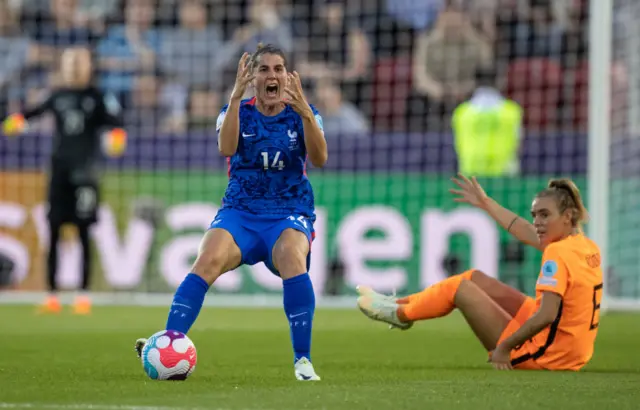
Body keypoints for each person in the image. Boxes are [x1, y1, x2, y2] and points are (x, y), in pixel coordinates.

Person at [134, 44, 327, 381]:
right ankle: (168, 341)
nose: (272, 75)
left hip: (288, 211)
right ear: (252, 77)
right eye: (264, 69)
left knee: (292, 256)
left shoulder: (305, 113)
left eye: (278, 69)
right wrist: (236, 98)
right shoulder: (233, 110)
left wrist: (307, 114)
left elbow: (321, 159)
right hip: (241, 210)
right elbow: (226, 148)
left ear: (287, 75)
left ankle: (303, 361)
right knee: (207, 258)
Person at [357, 174, 603, 371]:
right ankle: (399, 304)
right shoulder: (583, 244)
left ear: (568, 216)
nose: (537, 222)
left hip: (547, 356)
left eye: (544, 215)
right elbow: (523, 229)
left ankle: (399, 313)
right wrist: (486, 203)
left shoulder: (557, 253)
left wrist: (505, 348)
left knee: (460, 289)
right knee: (474, 278)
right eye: (535, 215)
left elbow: (547, 315)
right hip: (570, 351)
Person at [1, 46, 126, 315]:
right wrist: (12, 123)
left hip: (86, 173)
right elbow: (29, 115)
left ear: (89, 66)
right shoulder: (56, 95)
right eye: (70, 62)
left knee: (83, 232)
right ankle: (52, 295)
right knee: (54, 231)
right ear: (63, 67)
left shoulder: (99, 97)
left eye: (79, 62)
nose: (74, 67)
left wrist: (116, 140)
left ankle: (83, 295)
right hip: (58, 172)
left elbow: (117, 123)